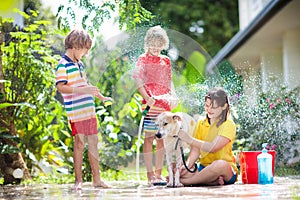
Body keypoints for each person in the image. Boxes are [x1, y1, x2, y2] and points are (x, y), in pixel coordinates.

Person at [55, 29, 112, 190]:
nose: (86, 53)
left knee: (93, 142)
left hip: (89, 109)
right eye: (85, 49)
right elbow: (61, 87)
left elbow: (85, 85)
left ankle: (97, 179)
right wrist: (83, 91)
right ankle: (78, 181)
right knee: (79, 143)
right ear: (75, 45)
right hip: (76, 112)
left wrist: (100, 97)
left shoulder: (79, 64)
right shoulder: (63, 64)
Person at [133, 25, 178, 186]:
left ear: (163, 44)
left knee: (161, 140)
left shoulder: (165, 60)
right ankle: (150, 175)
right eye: (153, 44)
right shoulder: (142, 59)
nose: (156, 48)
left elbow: (169, 82)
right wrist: (147, 97)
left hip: (164, 108)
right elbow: (138, 80)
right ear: (148, 43)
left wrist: (174, 96)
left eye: (159, 44)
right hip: (151, 107)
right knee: (148, 139)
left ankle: (158, 174)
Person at [177, 87, 238, 186]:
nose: (209, 110)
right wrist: (186, 166)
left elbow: (213, 147)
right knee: (179, 170)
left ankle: (187, 182)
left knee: (219, 165)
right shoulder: (201, 123)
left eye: (213, 107)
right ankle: (210, 180)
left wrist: (189, 139)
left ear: (224, 106)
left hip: (225, 170)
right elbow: (196, 150)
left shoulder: (228, 124)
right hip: (203, 167)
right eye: (207, 106)